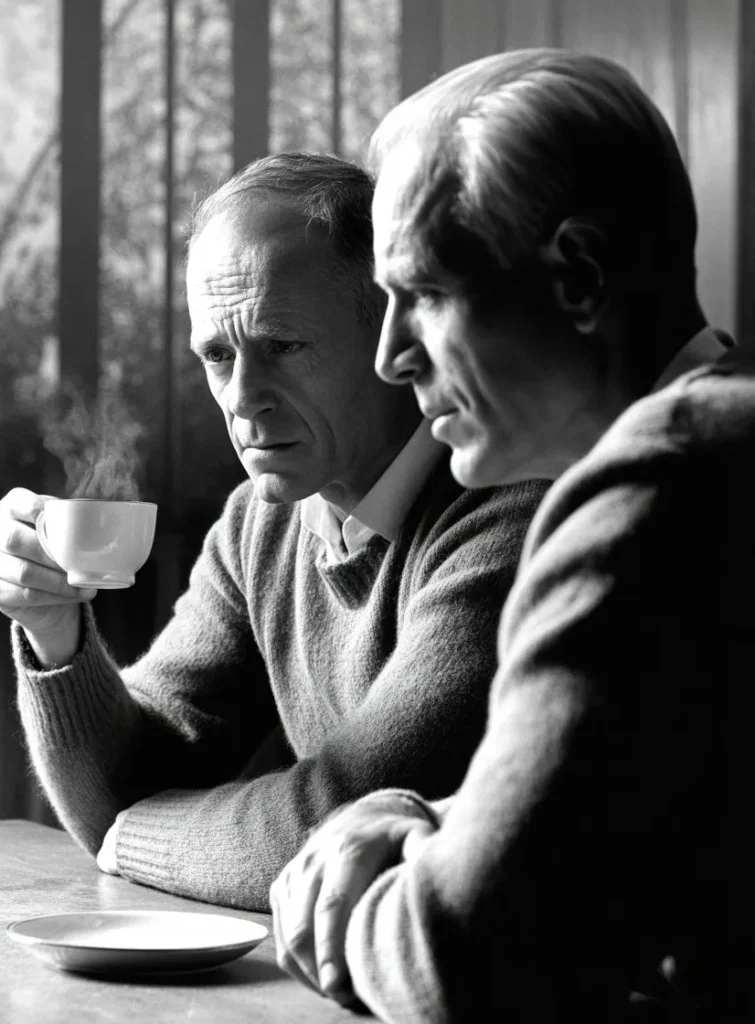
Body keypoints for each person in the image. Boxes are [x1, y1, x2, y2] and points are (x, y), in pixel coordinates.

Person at [270, 52, 754, 1020]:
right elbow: (632, 823)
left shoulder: (657, 486)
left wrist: (349, 896)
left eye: (424, 294)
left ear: (578, 277)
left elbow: (461, 951)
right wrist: (430, 819)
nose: (389, 354)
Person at [0, 153, 547, 912]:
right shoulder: (261, 519)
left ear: (392, 331)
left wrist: (127, 836)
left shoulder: (507, 512)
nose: (243, 398)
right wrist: (56, 633)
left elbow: (341, 814)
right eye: (217, 354)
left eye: (282, 345)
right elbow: (129, 778)